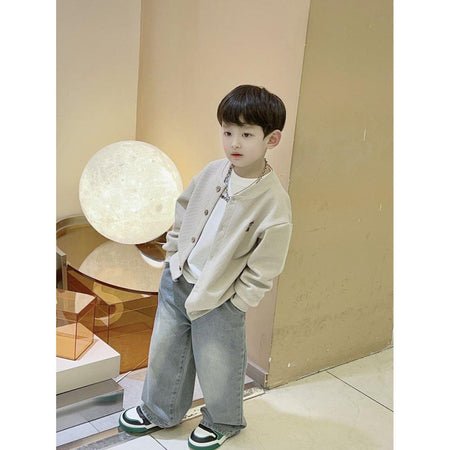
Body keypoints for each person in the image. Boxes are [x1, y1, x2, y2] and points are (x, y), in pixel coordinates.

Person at [119, 84, 293, 449]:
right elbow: (184, 209)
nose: (234, 143)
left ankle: (223, 420)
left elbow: (267, 263)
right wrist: (173, 256)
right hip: (180, 278)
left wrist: (239, 301)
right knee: (166, 350)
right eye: (228, 132)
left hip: (221, 296)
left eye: (247, 134)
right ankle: (160, 410)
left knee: (219, 362)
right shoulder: (214, 171)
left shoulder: (273, 201)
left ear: (272, 139)